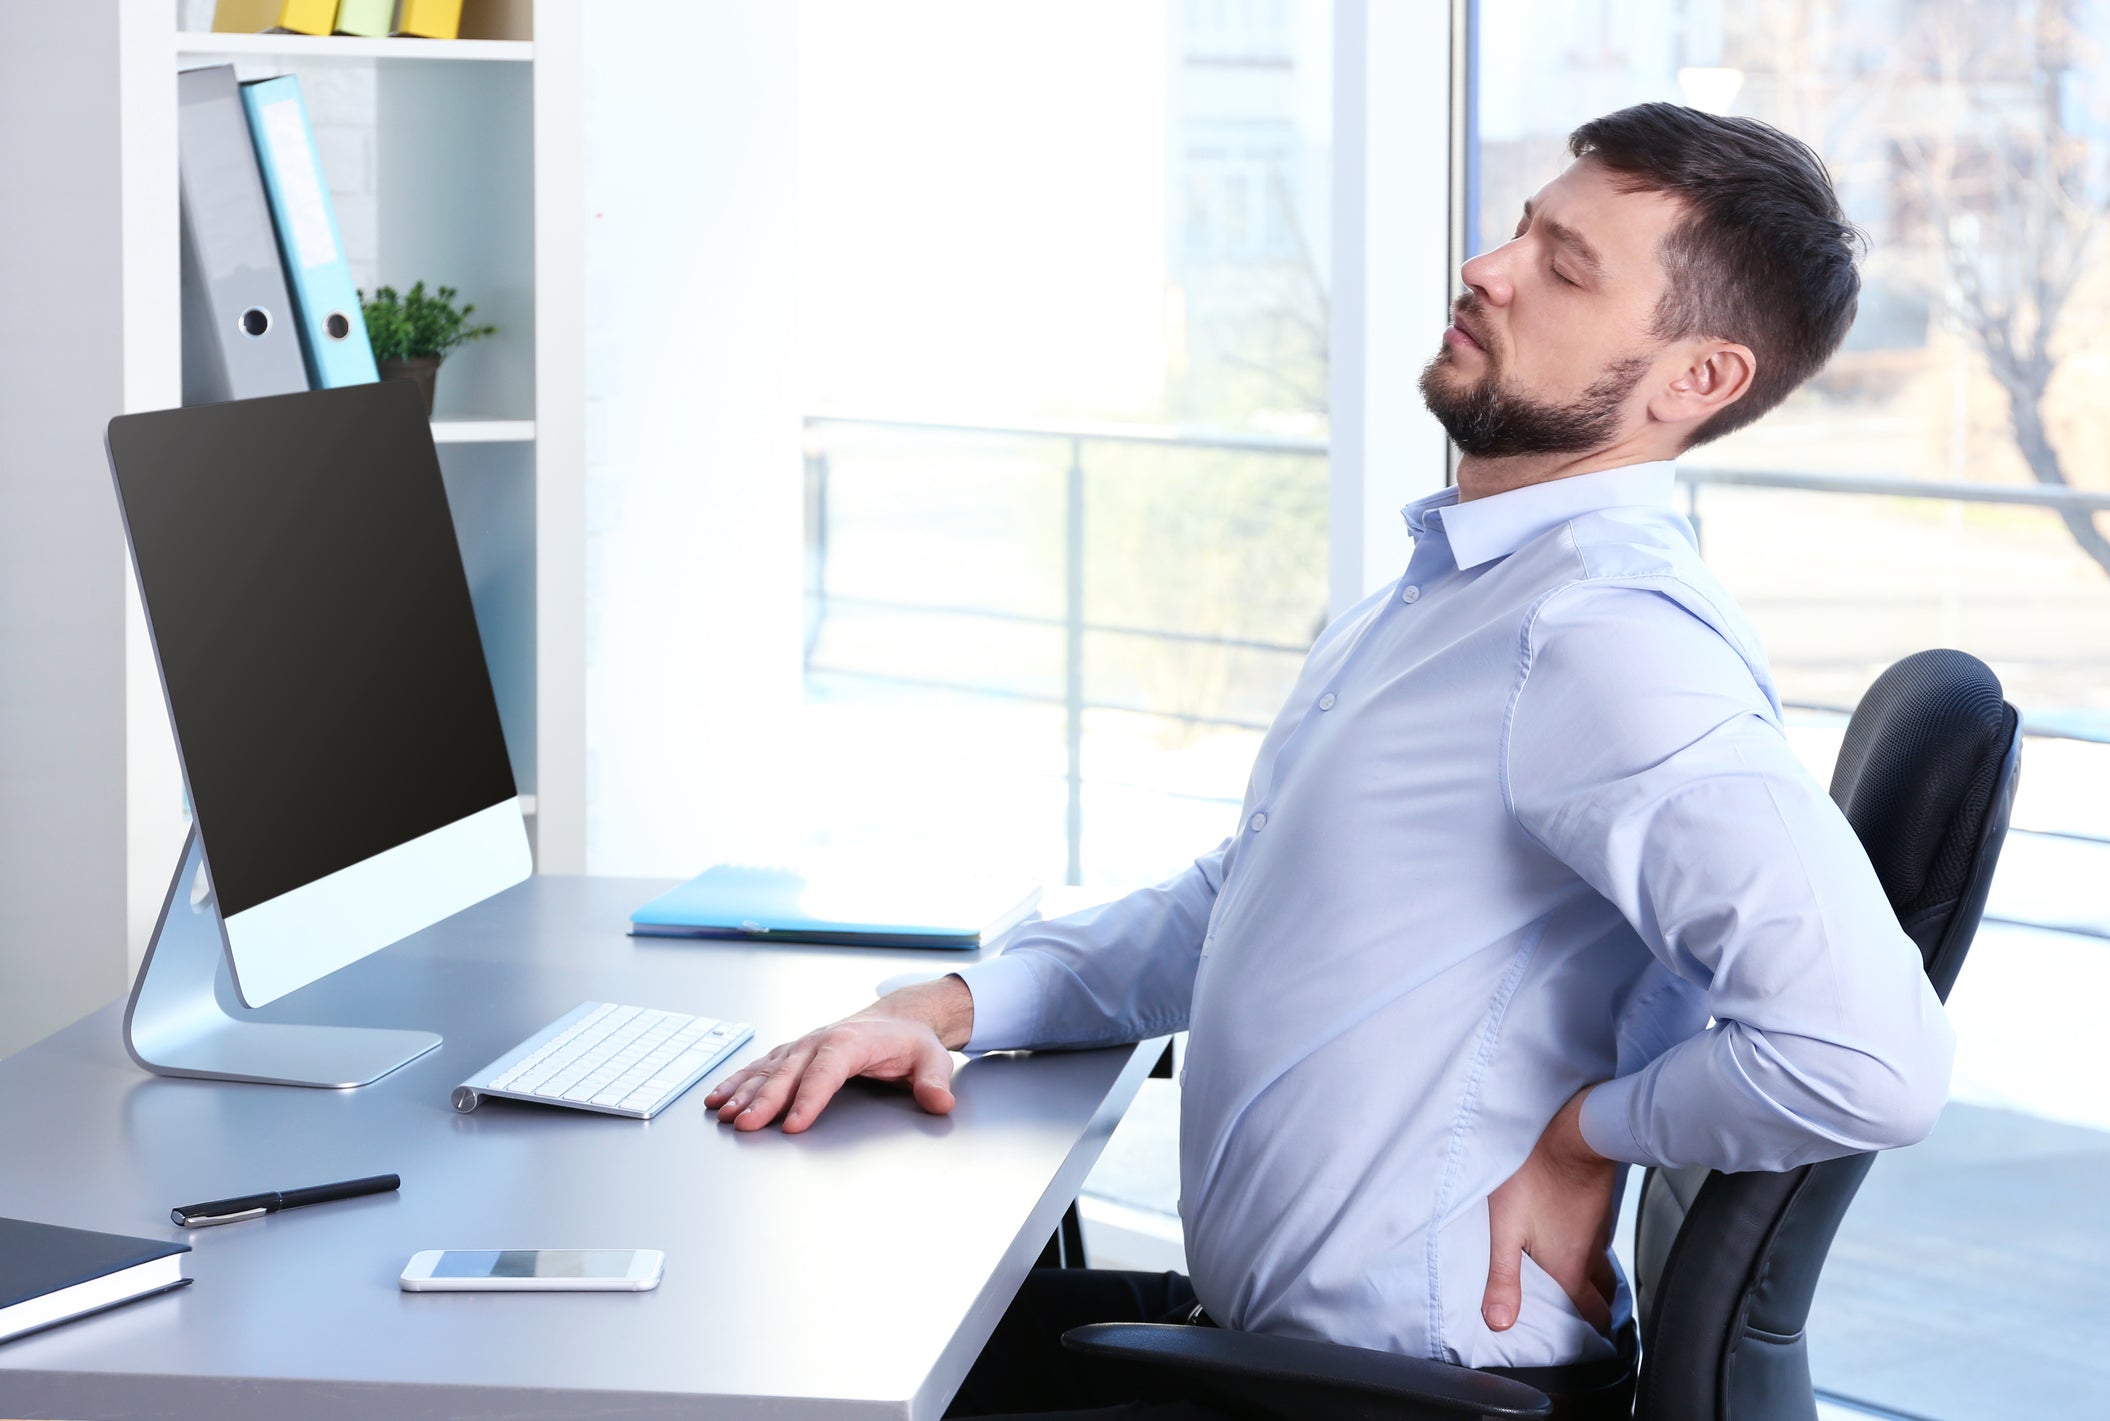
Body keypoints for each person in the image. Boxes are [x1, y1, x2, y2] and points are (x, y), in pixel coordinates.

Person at [705, 102, 1956, 1419]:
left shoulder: (1608, 639)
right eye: (1521, 230)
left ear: (1695, 378)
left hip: (1381, 1389)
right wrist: (948, 1007)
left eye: (1563, 264)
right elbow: (1235, 903)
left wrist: (1591, 1131)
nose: (1486, 268)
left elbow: (1867, 1056)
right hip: (1285, 1352)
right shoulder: (1453, 594)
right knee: (809, 1329)